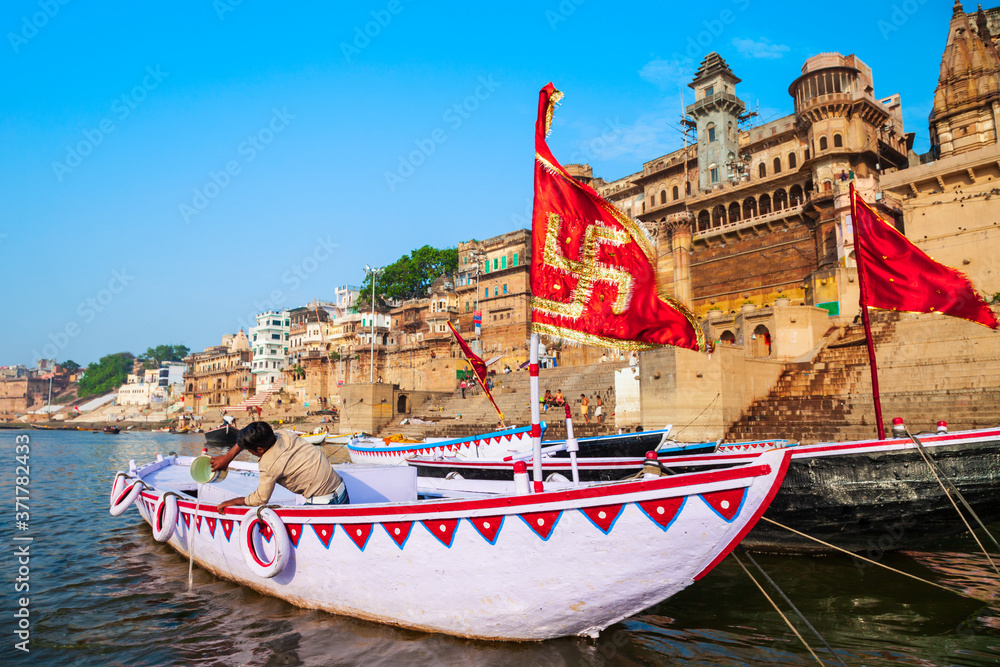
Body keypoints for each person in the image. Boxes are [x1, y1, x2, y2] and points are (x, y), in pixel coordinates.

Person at [213, 422, 348, 512]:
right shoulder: (284, 434)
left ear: (259, 450)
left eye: (250, 450)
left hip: (324, 503)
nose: (249, 452)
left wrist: (234, 501)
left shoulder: (269, 465)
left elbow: (260, 499)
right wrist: (227, 458)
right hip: (341, 489)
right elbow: (253, 435)